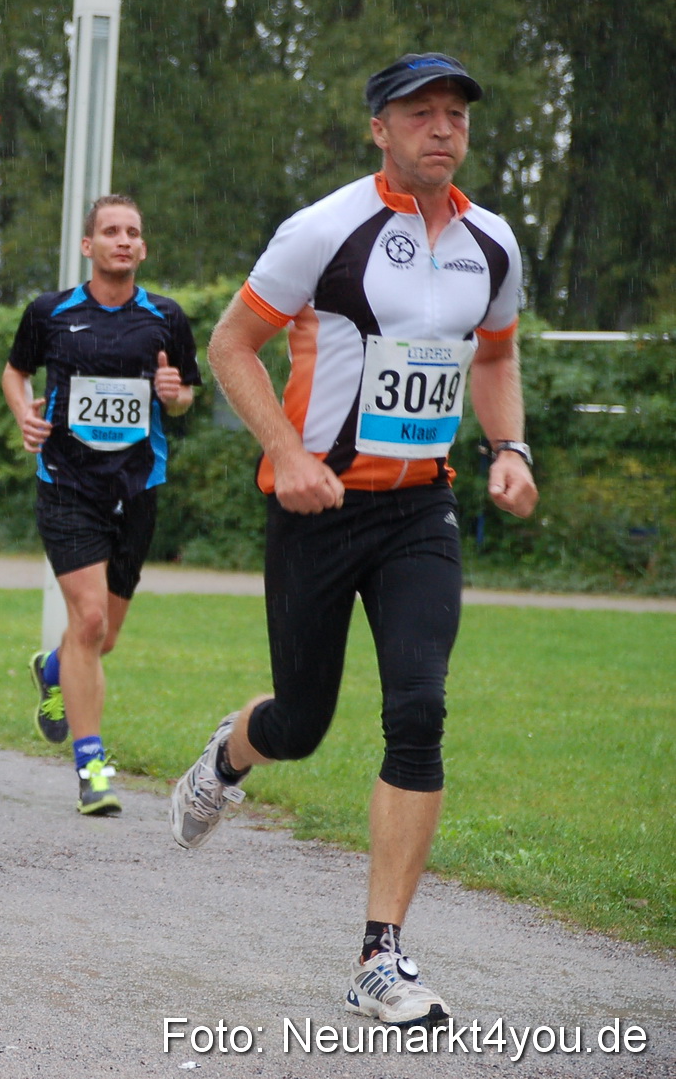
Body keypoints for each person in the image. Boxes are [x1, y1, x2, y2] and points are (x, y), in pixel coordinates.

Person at [167, 54, 538, 1026]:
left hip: (420, 509)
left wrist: (510, 447)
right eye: (422, 113)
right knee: (302, 720)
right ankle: (233, 753)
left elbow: (495, 355)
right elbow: (229, 345)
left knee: (419, 710)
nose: (443, 128)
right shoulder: (324, 230)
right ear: (380, 127)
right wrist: (286, 451)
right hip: (315, 510)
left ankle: (381, 953)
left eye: (456, 113)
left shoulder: (492, 243)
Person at [2, 195, 200, 816]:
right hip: (66, 484)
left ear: (142, 248)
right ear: (88, 245)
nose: (122, 241)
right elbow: (16, 373)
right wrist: (23, 415)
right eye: (110, 231)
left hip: (137, 488)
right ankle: (92, 766)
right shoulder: (50, 313)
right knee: (87, 618)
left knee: (102, 637)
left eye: (132, 233)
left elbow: (183, 397)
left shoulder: (166, 318)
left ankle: (54, 667)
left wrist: (174, 394)